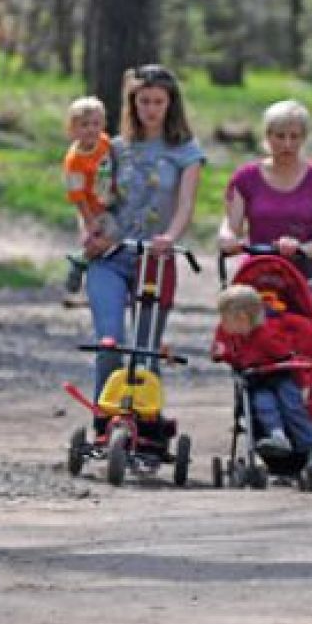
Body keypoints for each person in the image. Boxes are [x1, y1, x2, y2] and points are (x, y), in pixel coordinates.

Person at [83, 64, 203, 426]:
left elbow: (185, 205)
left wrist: (170, 238)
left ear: (170, 104)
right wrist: (91, 231)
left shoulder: (186, 151)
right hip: (113, 255)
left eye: (158, 102)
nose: (150, 109)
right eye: (143, 101)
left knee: (145, 348)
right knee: (111, 341)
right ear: (132, 104)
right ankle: (105, 418)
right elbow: (96, 199)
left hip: (155, 260)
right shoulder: (116, 148)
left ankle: (146, 420)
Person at [218, 100, 312, 329]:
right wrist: (227, 238)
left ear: (304, 138)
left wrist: (299, 249)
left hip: (307, 281)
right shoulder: (246, 178)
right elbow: (231, 225)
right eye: (280, 136)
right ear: (267, 136)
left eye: (295, 137)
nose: (287, 144)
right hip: (258, 281)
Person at [212, 285, 312, 469]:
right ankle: (277, 436)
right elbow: (236, 357)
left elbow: (287, 357)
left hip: (282, 379)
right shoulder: (239, 337)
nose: (222, 325)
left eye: (225, 319)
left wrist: (304, 383)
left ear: (242, 319)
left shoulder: (266, 335)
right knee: (264, 406)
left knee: (293, 408)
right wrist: (221, 354)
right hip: (258, 382)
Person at [60, 96, 115, 308]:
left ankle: (101, 281)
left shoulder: (104, 142)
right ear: (72, 129)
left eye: (96, 124)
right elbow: (77, 196)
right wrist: (89, 219)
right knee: (94, 240)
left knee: (114, 239)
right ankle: (80, 263)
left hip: (110, 202)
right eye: (84, 125)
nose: (91, 130)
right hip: (90, 208)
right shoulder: (74, 160)